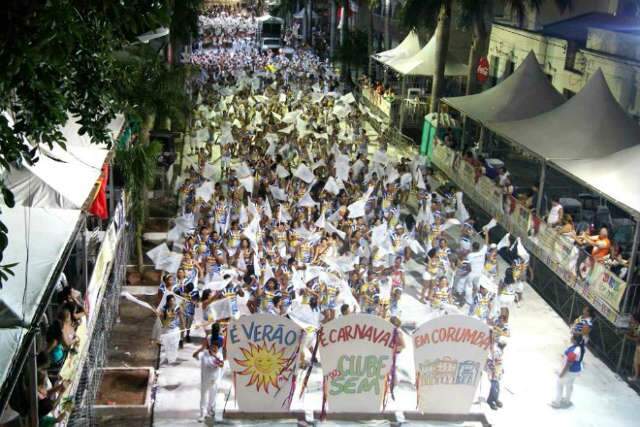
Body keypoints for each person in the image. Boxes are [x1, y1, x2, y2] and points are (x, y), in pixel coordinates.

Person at [193, 328, 225, 422]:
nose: (214, 348)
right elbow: (194, 356)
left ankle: (210, 411)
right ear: (210, 346)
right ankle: (202, 414)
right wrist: (200, 350)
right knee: (204, 397)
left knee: (213, 397)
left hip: (214, 381)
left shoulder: (219, 355)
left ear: (218, 348)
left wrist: (215, 356)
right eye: (212, 346)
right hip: (205, 381)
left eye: (216, 347)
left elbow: (221, 364)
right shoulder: (204, 354)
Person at [551, 334, 585, 408]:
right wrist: (564, 356)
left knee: (559, 384)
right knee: (569, 385)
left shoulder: (574, 350)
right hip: (576, 371)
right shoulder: (580, 348)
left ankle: (557, 402)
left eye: (572, 337)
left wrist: (562, 373)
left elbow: (569, 364)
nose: (570, 338)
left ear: (575, 340)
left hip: (570, 371)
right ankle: (567, 400)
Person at [486, 336, 506, 410]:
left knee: (497, 387)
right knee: (494, 387)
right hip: (493, 372)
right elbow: (489, 361)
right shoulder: (495, 351)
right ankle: (490, 401)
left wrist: (501, 369)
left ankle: (495, 399)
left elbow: (499, 361)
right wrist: (492, 368)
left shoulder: (500, 351)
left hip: (497, 371)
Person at [626, 311, 640, 383]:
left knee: (636, 362)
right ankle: (635, 377)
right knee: (636, 362)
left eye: (631, 318)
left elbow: (637, 338)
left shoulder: (638, 327)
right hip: (638, 346)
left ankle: (636, 377)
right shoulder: (635, 325)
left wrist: (628, 337)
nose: (630, 319)